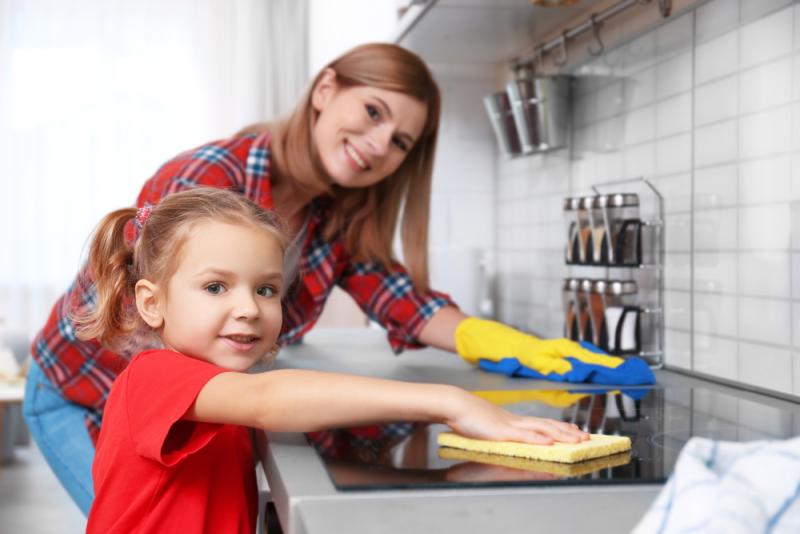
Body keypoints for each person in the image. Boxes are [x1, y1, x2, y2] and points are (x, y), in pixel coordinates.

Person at [24, 42, 650, 516]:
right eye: (372, 112)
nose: (378, 145)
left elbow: (408, 306)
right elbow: (212, 375)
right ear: (326, 89)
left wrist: (519, 346)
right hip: (83, 395)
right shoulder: (210, 178)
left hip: (197, 413)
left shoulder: (338, 218)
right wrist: (450, 404)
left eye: (400, 140)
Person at [77, 187, 588, 533]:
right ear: (152, 302)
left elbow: (320, 460)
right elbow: (268, 399)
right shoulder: (154, 377)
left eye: (266, 288)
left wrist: (446, 479)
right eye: (216, 287)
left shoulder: (223, 393)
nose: (249, 309)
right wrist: (449, 402)